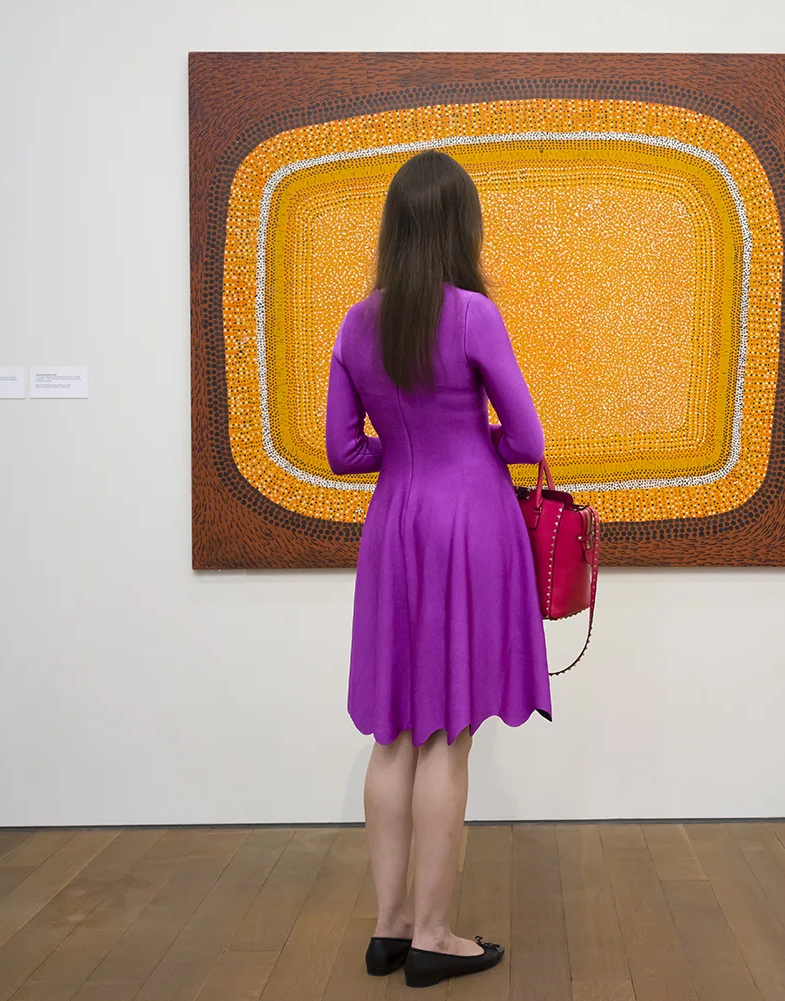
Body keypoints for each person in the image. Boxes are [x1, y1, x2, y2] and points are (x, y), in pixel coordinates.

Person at [324, 149, 552, 989]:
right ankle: (433, 936)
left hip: (395, 525)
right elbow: (526, 440)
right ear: (463, 226)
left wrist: (405, 446)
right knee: (448, 735)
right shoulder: (473, 316)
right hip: (468, 523)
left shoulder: (356, 324)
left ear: (393, 228)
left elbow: (343, 451)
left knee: (393, 731)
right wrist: (469, 439)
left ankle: (388, 930)